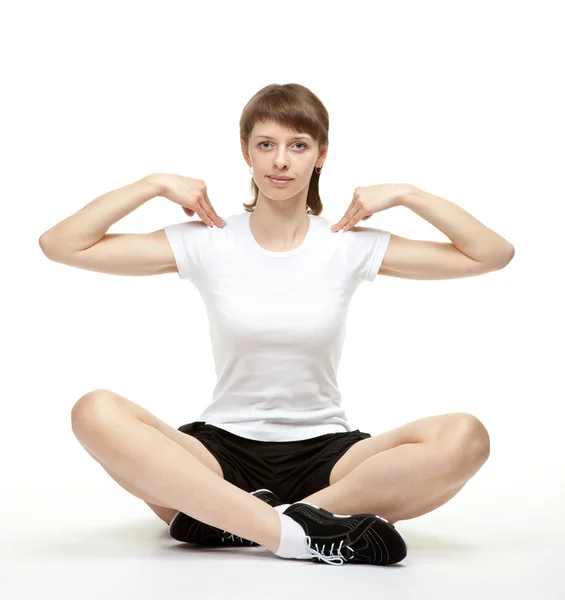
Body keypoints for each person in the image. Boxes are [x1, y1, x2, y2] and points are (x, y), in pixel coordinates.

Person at [38, 83, 512, 566]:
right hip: (217, 459)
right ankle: (295, 535)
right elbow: (62, 244)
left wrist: (409, 194)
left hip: (330, 462)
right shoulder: (209, 241)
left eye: (298, 145)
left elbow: (492, 254)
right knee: (94, 411)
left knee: (465, 437)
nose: (280, 161)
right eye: (266, 144)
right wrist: (153, 184)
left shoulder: (348, 244)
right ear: (246, 152)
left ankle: (245, 522)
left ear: (320, 155)